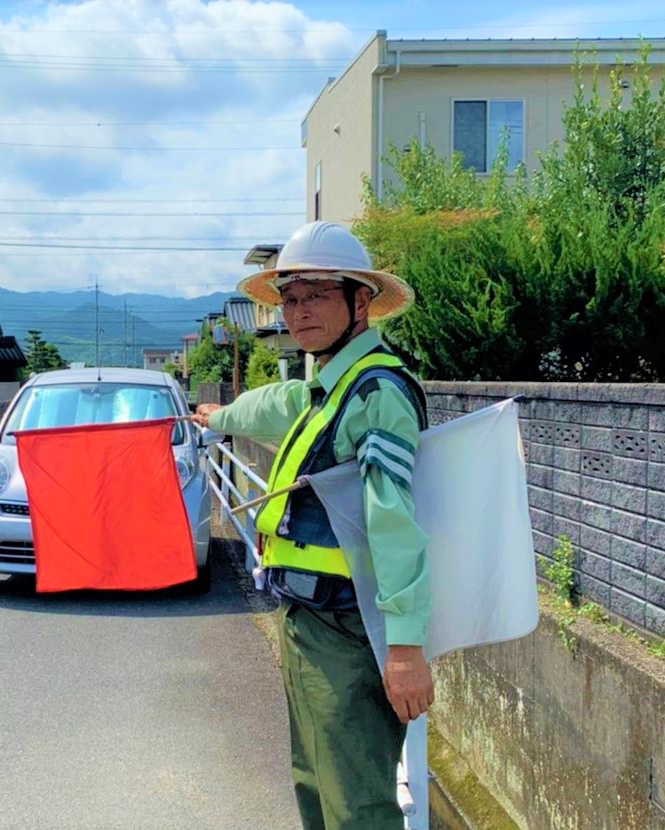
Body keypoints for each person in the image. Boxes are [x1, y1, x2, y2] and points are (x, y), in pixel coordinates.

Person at [193, 221, 432, 830]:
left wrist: (404, 649)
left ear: (360, 302)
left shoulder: (377, 391)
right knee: (313, 783)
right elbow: (270, 407)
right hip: (304, 619)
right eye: (292, 299)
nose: (299, 312)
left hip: (350, 631)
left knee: (355, 804)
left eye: (318, 295)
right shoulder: (325, 389)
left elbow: (395, 521)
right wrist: (217, 417)